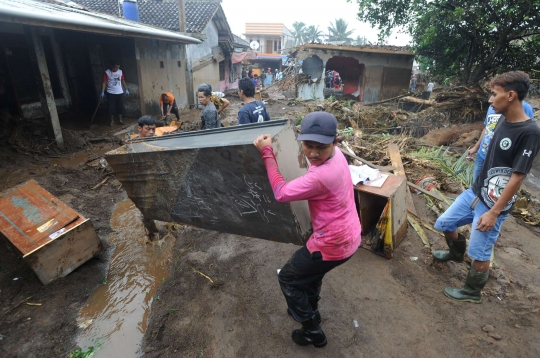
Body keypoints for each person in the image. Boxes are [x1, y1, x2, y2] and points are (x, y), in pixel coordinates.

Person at [253, 112, 361, 347]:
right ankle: (311, 309)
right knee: (312, 274)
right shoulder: (336, 156)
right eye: (308, 146)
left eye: (319, 148)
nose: (312, 153)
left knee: (289, 279)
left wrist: (267, 152)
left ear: (335, 142)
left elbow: (281, 193)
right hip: (348, 235)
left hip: (332, 243)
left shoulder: (323, 174)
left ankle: (312, 329)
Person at [433, 71, 540, 303]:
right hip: (475, 192)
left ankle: (472, 291)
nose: (490, 100)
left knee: (480, 252)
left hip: (493, 203)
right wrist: (474, 148)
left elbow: (517, 177)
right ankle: (455, 252)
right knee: (443, 223)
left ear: (510, 95)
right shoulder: (501, 119)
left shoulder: (529, 132)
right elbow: (487, 143)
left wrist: (493, 213)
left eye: (494, 94)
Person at [468, 101, 535, 181]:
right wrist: (476, 147)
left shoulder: (525, 107)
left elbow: (527, 135)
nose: (490, 99)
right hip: (482, 155)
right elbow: (487, 128)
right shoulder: (492, 106)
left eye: (495, 93)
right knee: (476, 184)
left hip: (501, 160)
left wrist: (525, 162)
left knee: (494, 187)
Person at [101, 62, 129, 126]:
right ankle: (112, 121)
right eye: (116, 67)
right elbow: (104, 82)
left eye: (118, 67)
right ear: (112, 66)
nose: (117, 68)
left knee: (120, 107)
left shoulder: (120, 72)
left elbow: (123, 81)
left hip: (120, 92)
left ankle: (120, 120)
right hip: (110, 92)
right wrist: (102, 91)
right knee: (111, 107)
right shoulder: (107, 72)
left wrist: (126, 89)